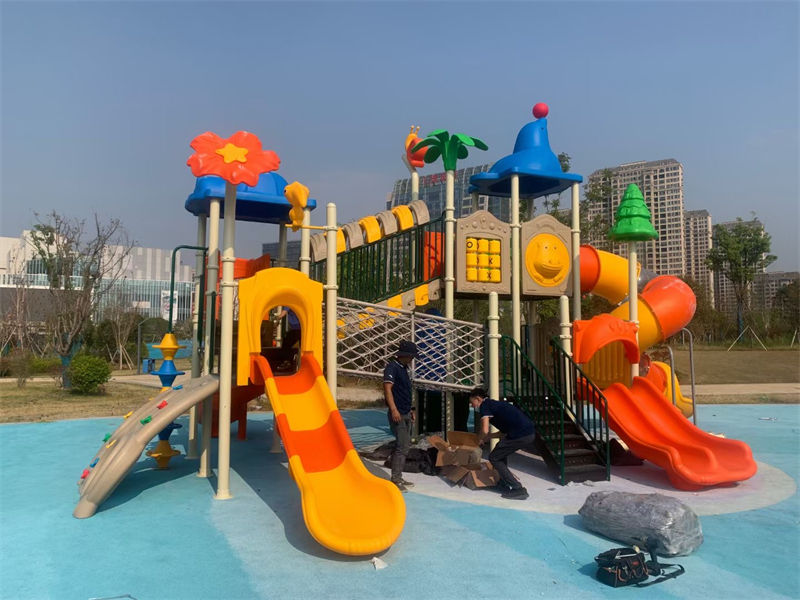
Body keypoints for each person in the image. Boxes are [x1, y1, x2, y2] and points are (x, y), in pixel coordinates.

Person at [469, 387, 536, 500]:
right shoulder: (494, 405)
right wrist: (488, 437)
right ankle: (503, 483)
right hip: (527, 433)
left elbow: (484, 430)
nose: (472, 405)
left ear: (478, 399)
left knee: (494, 457)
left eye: (472, 402)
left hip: (521, 434)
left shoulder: (485, 406)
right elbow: (501, 433)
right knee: (500, 453)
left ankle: (518, 489)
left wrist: (477, 440)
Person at [383, 340, 418, 493]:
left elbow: (405, 392)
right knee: (402, 446)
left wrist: (411, 409)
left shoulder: (404, 369)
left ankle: (398, 476)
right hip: (397, 413)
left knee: (405, 445)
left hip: (405, 412)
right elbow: (388, 389)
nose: (412, 359)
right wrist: (394, 409)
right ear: (405, 355)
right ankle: (395, 479)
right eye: (411, 356)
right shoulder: (392, 368)